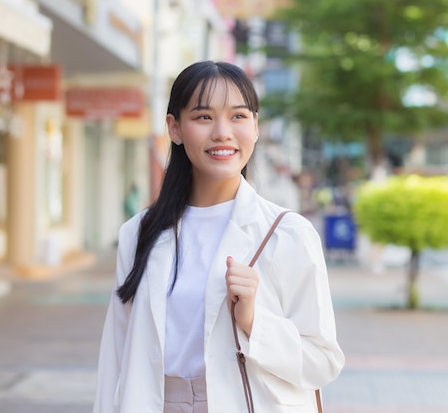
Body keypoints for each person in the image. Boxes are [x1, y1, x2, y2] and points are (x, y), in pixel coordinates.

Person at [92, 60, 345, 413]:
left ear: (256, 127)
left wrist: (255, 322)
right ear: (175, 128)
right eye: (203, 117)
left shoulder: (288, 235)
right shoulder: (139, 233)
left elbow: (323, 361)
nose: (223, 132)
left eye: (239, 116)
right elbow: (115, 358)